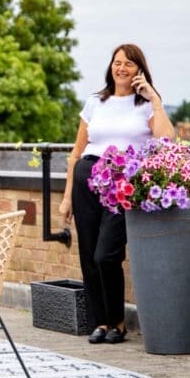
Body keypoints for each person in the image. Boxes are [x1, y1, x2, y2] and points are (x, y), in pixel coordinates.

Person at [59, 44, 175, 345]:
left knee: (106, 253)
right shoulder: (95, 102)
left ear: (139, 70)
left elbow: (166, 141)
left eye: (129, 64)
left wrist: (157, 102)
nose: (121, 68)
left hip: (123, 184)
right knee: (88, 253)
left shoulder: (147, 104)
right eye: (116, 62)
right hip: (87, 177)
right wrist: (67, 196)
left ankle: (119, 322)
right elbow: (76, 152)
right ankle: (100, 322)